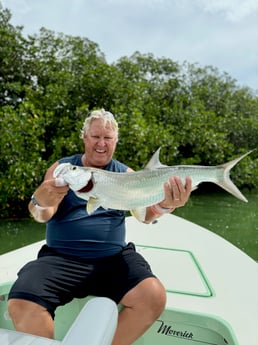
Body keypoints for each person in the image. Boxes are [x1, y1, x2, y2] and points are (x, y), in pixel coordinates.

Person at [8, 109, 192, 345]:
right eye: (95, 136)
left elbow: (145, 216)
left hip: (112, 259)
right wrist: (39, 200)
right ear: (84, 137)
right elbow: (42, 216)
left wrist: (167, 205)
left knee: (153, 296)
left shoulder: (126, 174)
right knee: (21, 302)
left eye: (108, 138)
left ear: (116, 141)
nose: (101, 144)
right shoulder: (64, 169)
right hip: (61, 259)